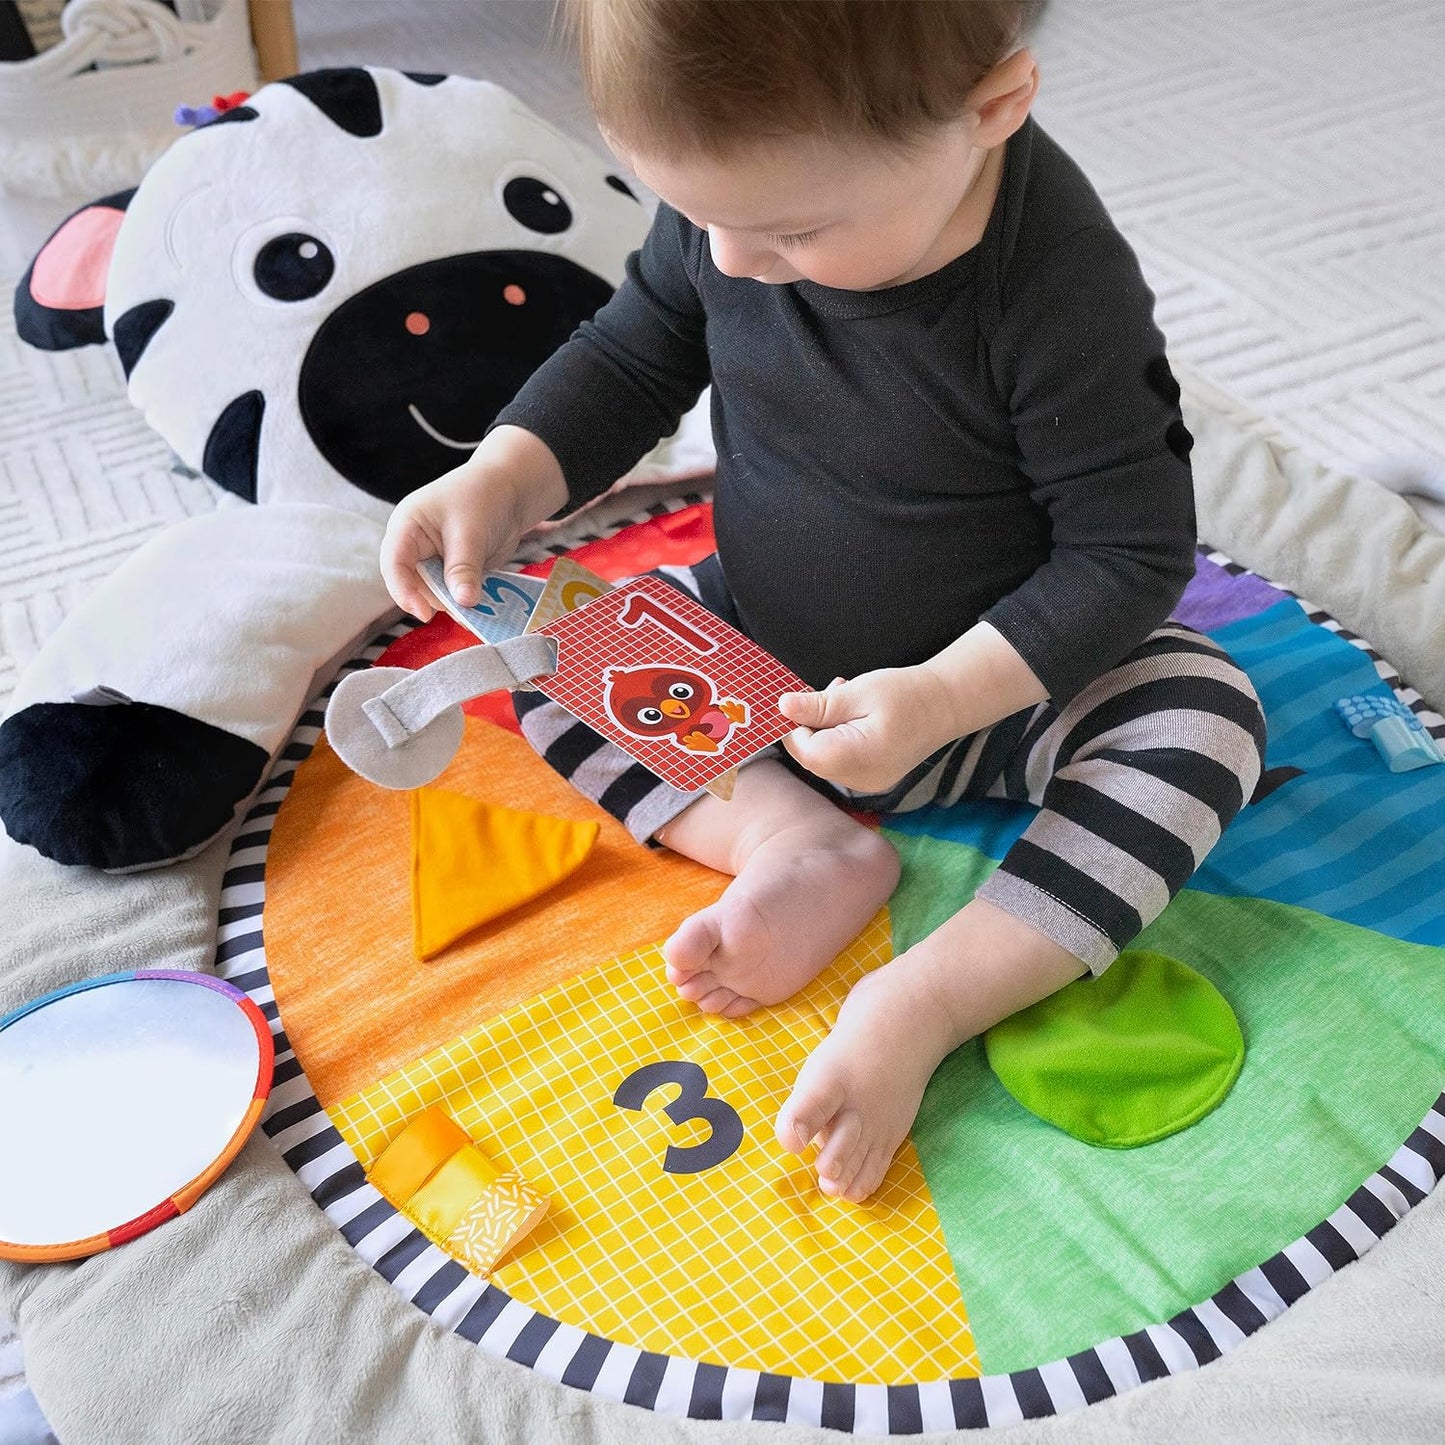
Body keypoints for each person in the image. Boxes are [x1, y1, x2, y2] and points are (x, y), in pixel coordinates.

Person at [380, 0, 1266, 1205]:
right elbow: (638, 348)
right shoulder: (737, 198)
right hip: (755, 660)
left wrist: (950, 694)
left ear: (990, 111)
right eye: (700, 218)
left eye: (793, 231)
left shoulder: (1057, 290)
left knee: (1200, 717)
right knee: (544, 646)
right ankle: (789, 840)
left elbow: (1125, 553)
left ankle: (929, 992)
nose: (734, 264)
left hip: (1001, 693)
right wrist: (508, 466)